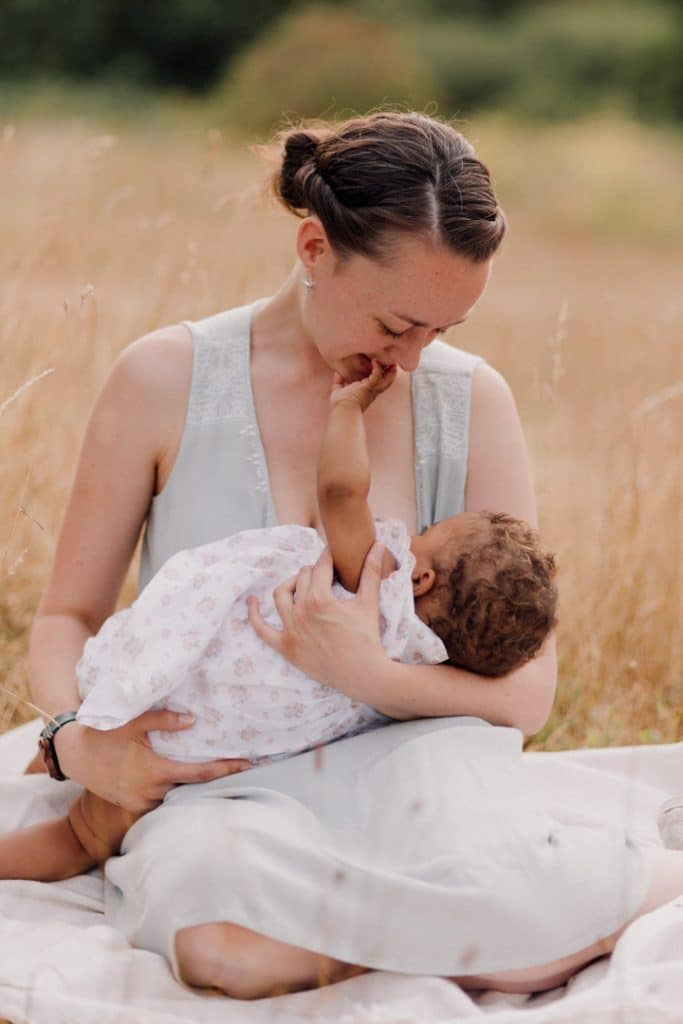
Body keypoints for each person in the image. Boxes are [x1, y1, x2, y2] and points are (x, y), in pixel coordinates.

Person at [20, 111, 683, 1000]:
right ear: (313, 248)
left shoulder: (473, 403)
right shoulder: (163, 379)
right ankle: (495, 940)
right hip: (227, 786)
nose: (411, 358)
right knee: (215, 943)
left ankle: (509, 915)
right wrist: (76, 741)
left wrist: (368, 675)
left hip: (421, 765)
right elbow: (67, 617)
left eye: (441, 331)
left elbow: (525, 695)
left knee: (502, 872)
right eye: (396, 322)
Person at [2, 361, 557, 883]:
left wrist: (347, 411)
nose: (412, 538)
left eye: (428, 535)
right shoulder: (427, 664)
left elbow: (341, 492)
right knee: (80, 836)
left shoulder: (374, 586)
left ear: (422, 578)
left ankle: (45, 772)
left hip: (171, 696)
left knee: (80, 750)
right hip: (209, 756)